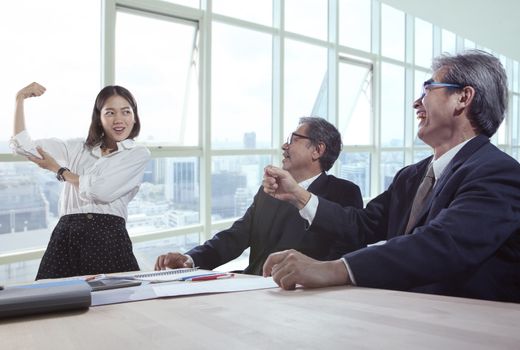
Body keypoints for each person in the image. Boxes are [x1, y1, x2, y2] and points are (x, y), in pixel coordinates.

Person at [262, 50, 520, 302]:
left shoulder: (498, 173)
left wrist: (332, 269)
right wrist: (298, 195)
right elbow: (362, 226)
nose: (416, 103)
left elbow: (442, 244)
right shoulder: (411, 176)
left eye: (428, 89)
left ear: (463, 97)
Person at [155, 117, 363, 275]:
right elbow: (235, 236)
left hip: (304, 299)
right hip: (252, 290)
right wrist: (190, 259)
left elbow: (345, 259)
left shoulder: (344, 193)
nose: (284, 146)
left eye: (293, 139)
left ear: (317, 150)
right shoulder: (271, 189)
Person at [11, 82, 151, 279]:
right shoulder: (77, 148)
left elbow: (100, 191)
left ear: (134, 117)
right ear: (99, 118)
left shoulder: (137, 154)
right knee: (51, 303)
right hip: (65, 236)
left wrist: (59, 170)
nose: (119, 119)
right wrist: (19, 99)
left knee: (115, 305)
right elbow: (23, 147)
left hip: (109, 238)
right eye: (110, 113)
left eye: (126, 112)